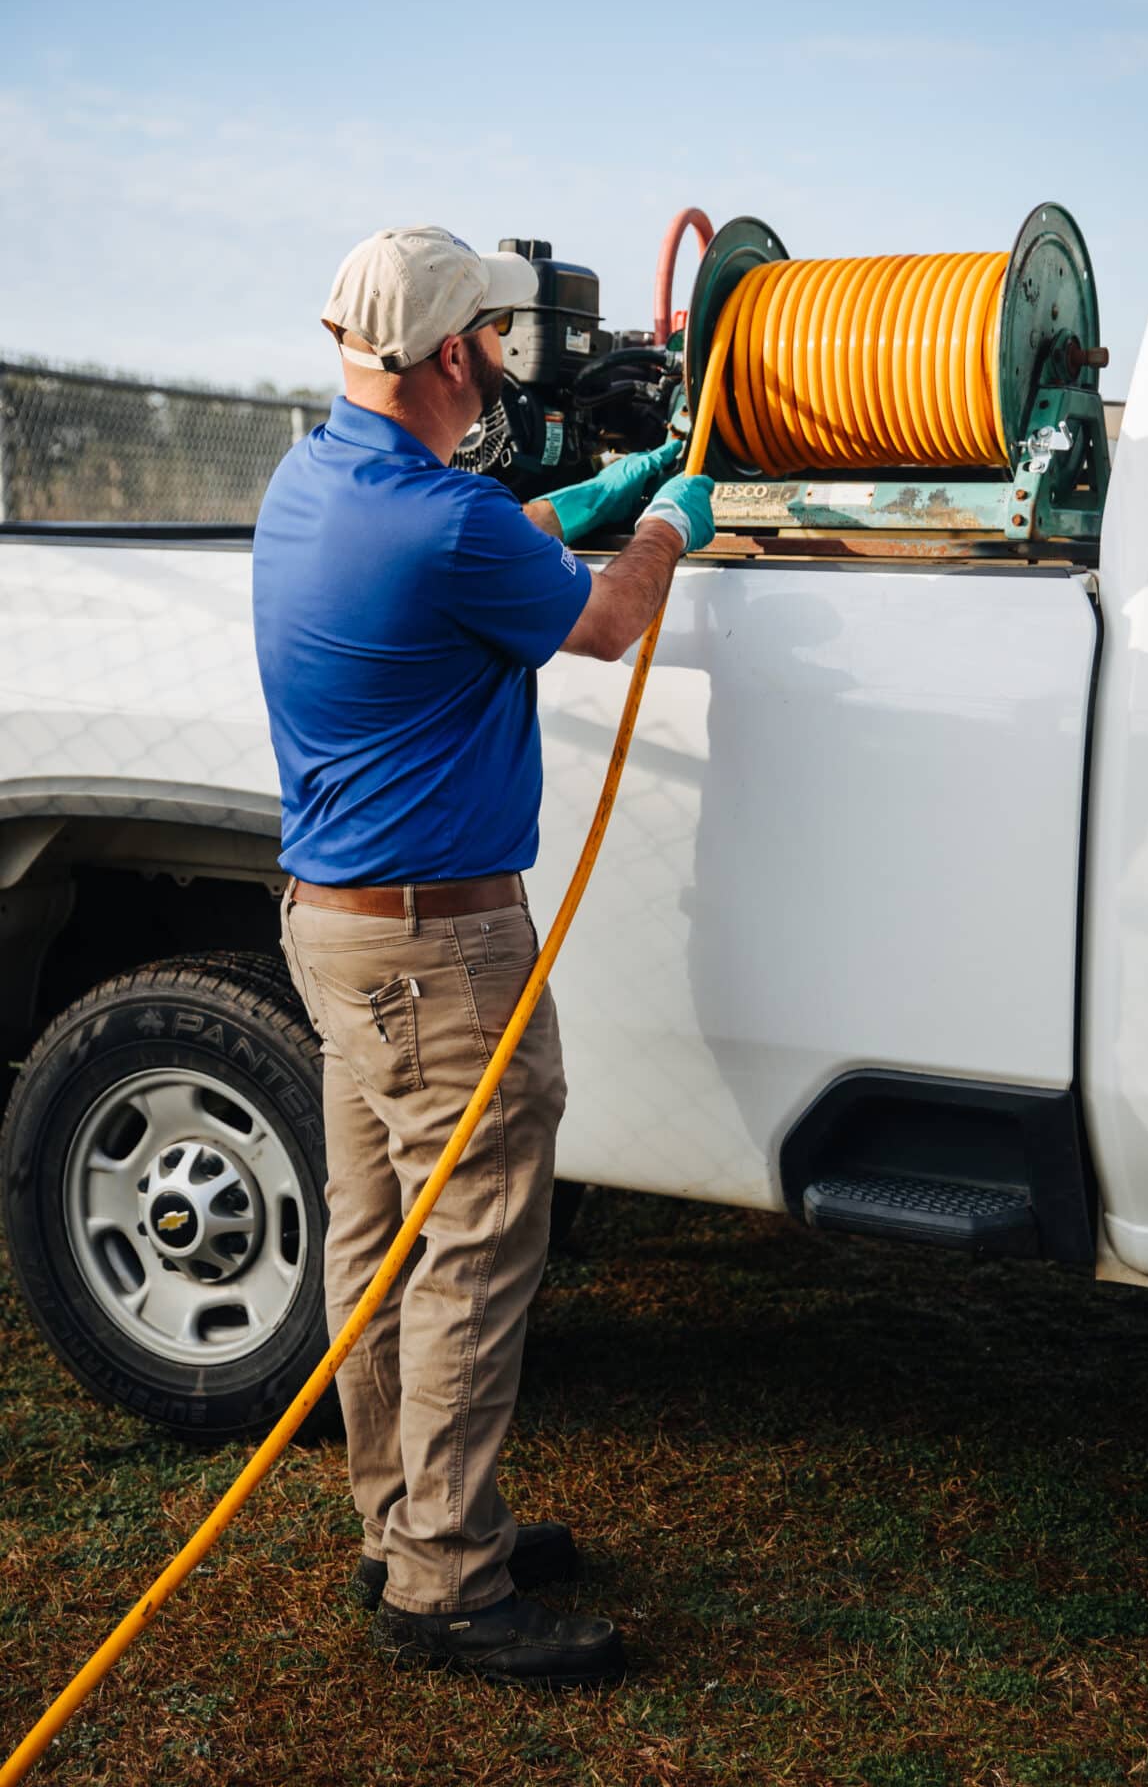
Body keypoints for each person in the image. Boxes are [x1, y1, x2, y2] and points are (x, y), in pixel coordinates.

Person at [253, 225, 714, 1687]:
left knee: (379, 1235)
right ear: (458, 354)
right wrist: (669, 526)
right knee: (477, 1238)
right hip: (440, 953)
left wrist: (600, 488)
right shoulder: (440, 529)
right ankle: (449, 1581)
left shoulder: (316, 482)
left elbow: (488, 533)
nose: (508, 366)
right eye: (499, 344)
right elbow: (605, 618)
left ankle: (404, 1519)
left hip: (333, 931)